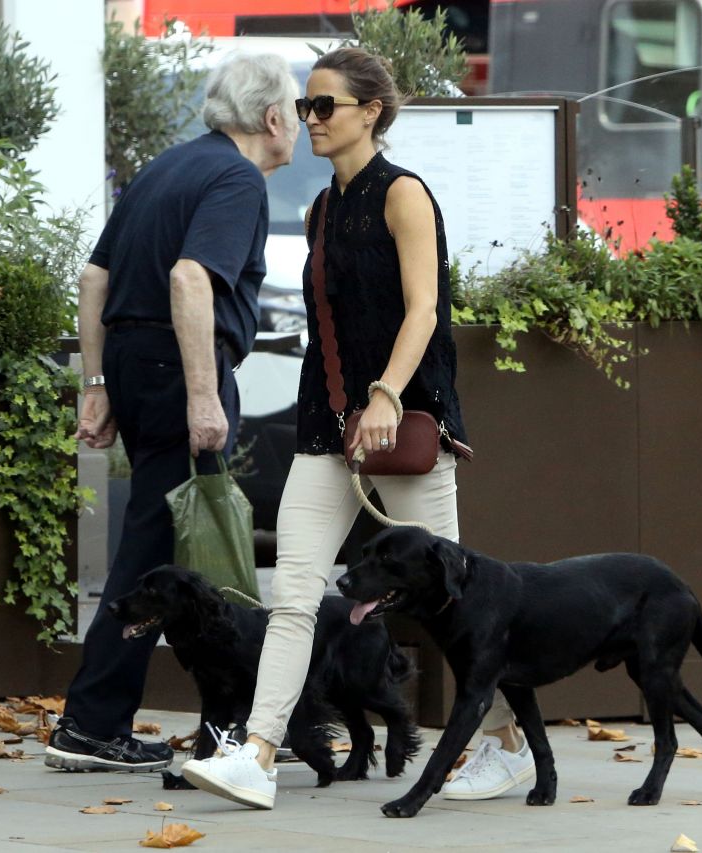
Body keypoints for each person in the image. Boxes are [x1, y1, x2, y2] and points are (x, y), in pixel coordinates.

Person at [179, 47, 533, 809]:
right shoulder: (322, 207)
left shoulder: (404, 195)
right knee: (296, 591)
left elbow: (425, 310)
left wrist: (386, 396)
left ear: (370, 112)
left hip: (405, 426)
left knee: (451, 602)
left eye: (324, 106)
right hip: (326, 427)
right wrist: (348, 407)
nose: (309, 119)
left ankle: (507, 743)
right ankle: (260, 752)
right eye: (305, 107)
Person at [44, 53, 299, 773]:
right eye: (295, 112)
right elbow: (191, 278)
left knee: (162, 544)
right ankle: (102, 725)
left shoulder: (169, 165)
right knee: (175, 546)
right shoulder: (238, 178)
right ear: (272, 117)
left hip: (133, 359)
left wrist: (97, 382)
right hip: (175, 363)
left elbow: (96, 274)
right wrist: (202, 393)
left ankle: (193, 723)